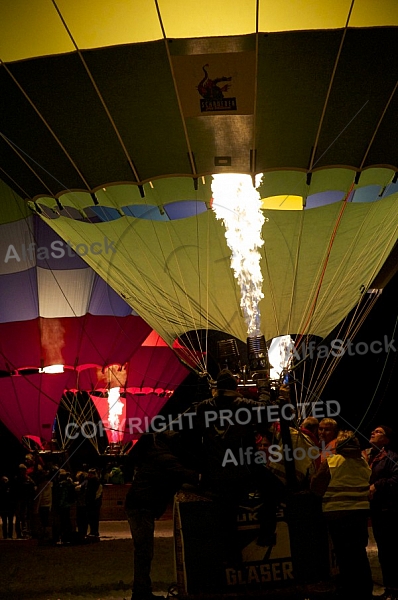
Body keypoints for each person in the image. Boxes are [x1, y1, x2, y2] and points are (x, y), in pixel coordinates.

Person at [195, 369, 283, 556]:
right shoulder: (242, 404)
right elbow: (265, 411)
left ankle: (232, 557)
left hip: (216, 471)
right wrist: (264, 390)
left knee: (227, 515)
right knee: (274, 488)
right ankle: (266, 535)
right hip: (243, 467)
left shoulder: (203, 407)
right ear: (235, 386)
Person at [125, 430, 199, 600]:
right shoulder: (164, 458)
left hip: (140, 506)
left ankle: (142, 590)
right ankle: (141, 592)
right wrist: (202, 478)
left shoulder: (154, 454)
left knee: (143, 550)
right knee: (144, 551)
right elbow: (182, 473)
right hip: (141, 508)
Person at [310, 430, 373, 600]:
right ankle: (365, 590)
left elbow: (316, 486)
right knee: (359, 553)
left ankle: (349, 590)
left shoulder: (332, 462)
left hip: (337, 514)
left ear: (339, 445)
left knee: (345, 555)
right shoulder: (364, 463)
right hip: (360, 514)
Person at [363, 425, 398, 600]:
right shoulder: (369, 456)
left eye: (378, 432)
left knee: (390, 550)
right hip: (375, 510)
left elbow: (396, 479)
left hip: (388, 510)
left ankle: (394, 588)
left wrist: (377, 485)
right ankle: (389, 587)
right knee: (383, 551)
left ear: (387, 439)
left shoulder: (392, 457)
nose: (373, 433)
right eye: (373, 431)